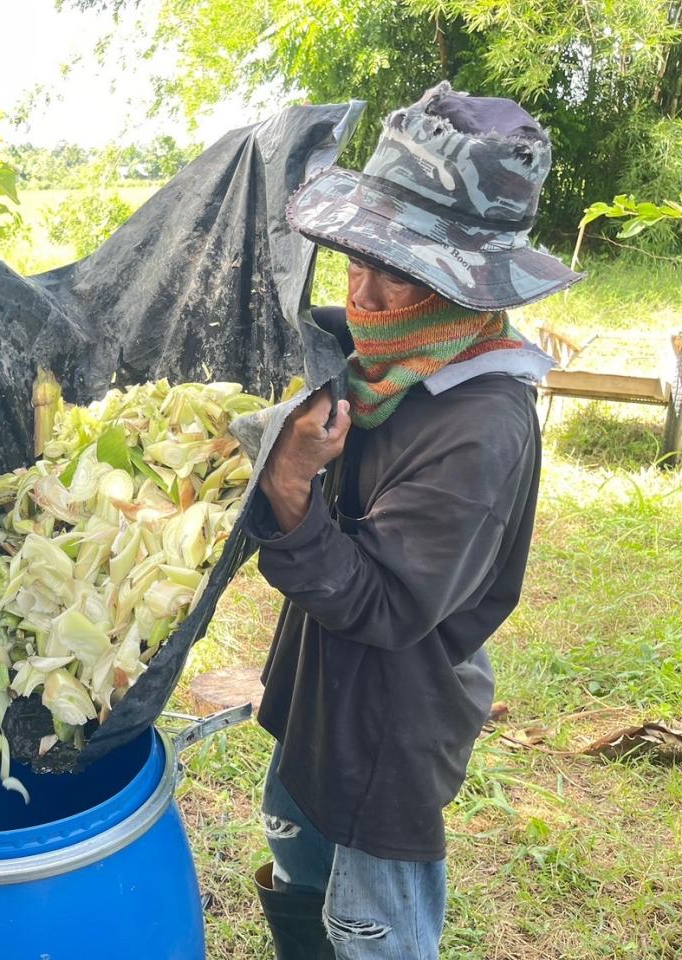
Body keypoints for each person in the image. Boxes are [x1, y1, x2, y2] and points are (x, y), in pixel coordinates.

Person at [244, 83, 581, 958]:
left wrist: (288, 493)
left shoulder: (482, 428)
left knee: (371, 930)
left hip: (387, 731)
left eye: (400, 271)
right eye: (356, 258)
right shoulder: (384, 360)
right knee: (297, 883)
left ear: (466, 289)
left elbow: (390, 605)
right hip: (315, 692)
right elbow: (316, 327)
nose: (365, 292)